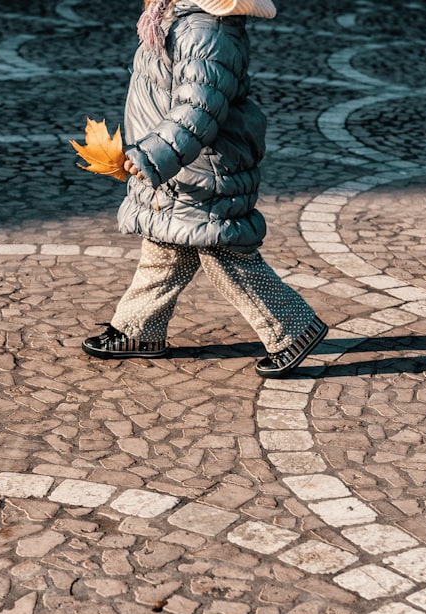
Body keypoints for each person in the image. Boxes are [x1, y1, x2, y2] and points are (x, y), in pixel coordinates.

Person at [82, 0, 327, 378]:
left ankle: (292, 329)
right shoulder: (176, 18)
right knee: (163, 252)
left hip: (203, 168)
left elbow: (197, 110)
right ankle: (138, 330)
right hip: (181, 172)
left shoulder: (205, 32)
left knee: (224, 254)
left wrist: (154, 153)